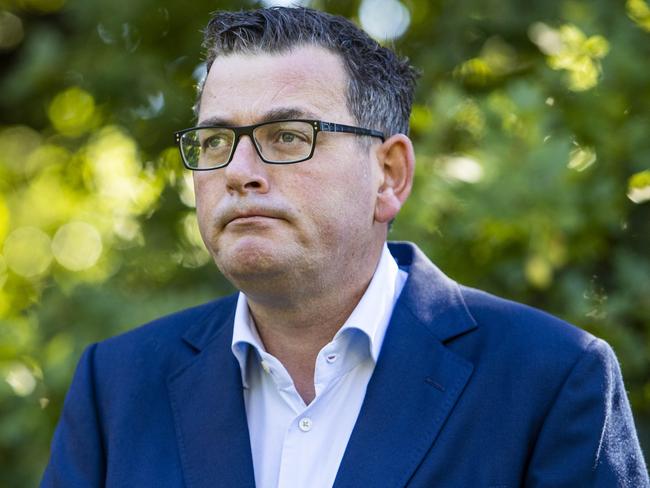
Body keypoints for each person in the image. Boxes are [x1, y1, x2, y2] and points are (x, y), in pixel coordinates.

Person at [41, 6, 648, 488]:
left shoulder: (550, 379)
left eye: (286, 136)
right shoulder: (116, 388)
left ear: (389, 174)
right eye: (216, 140)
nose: (239, 170)